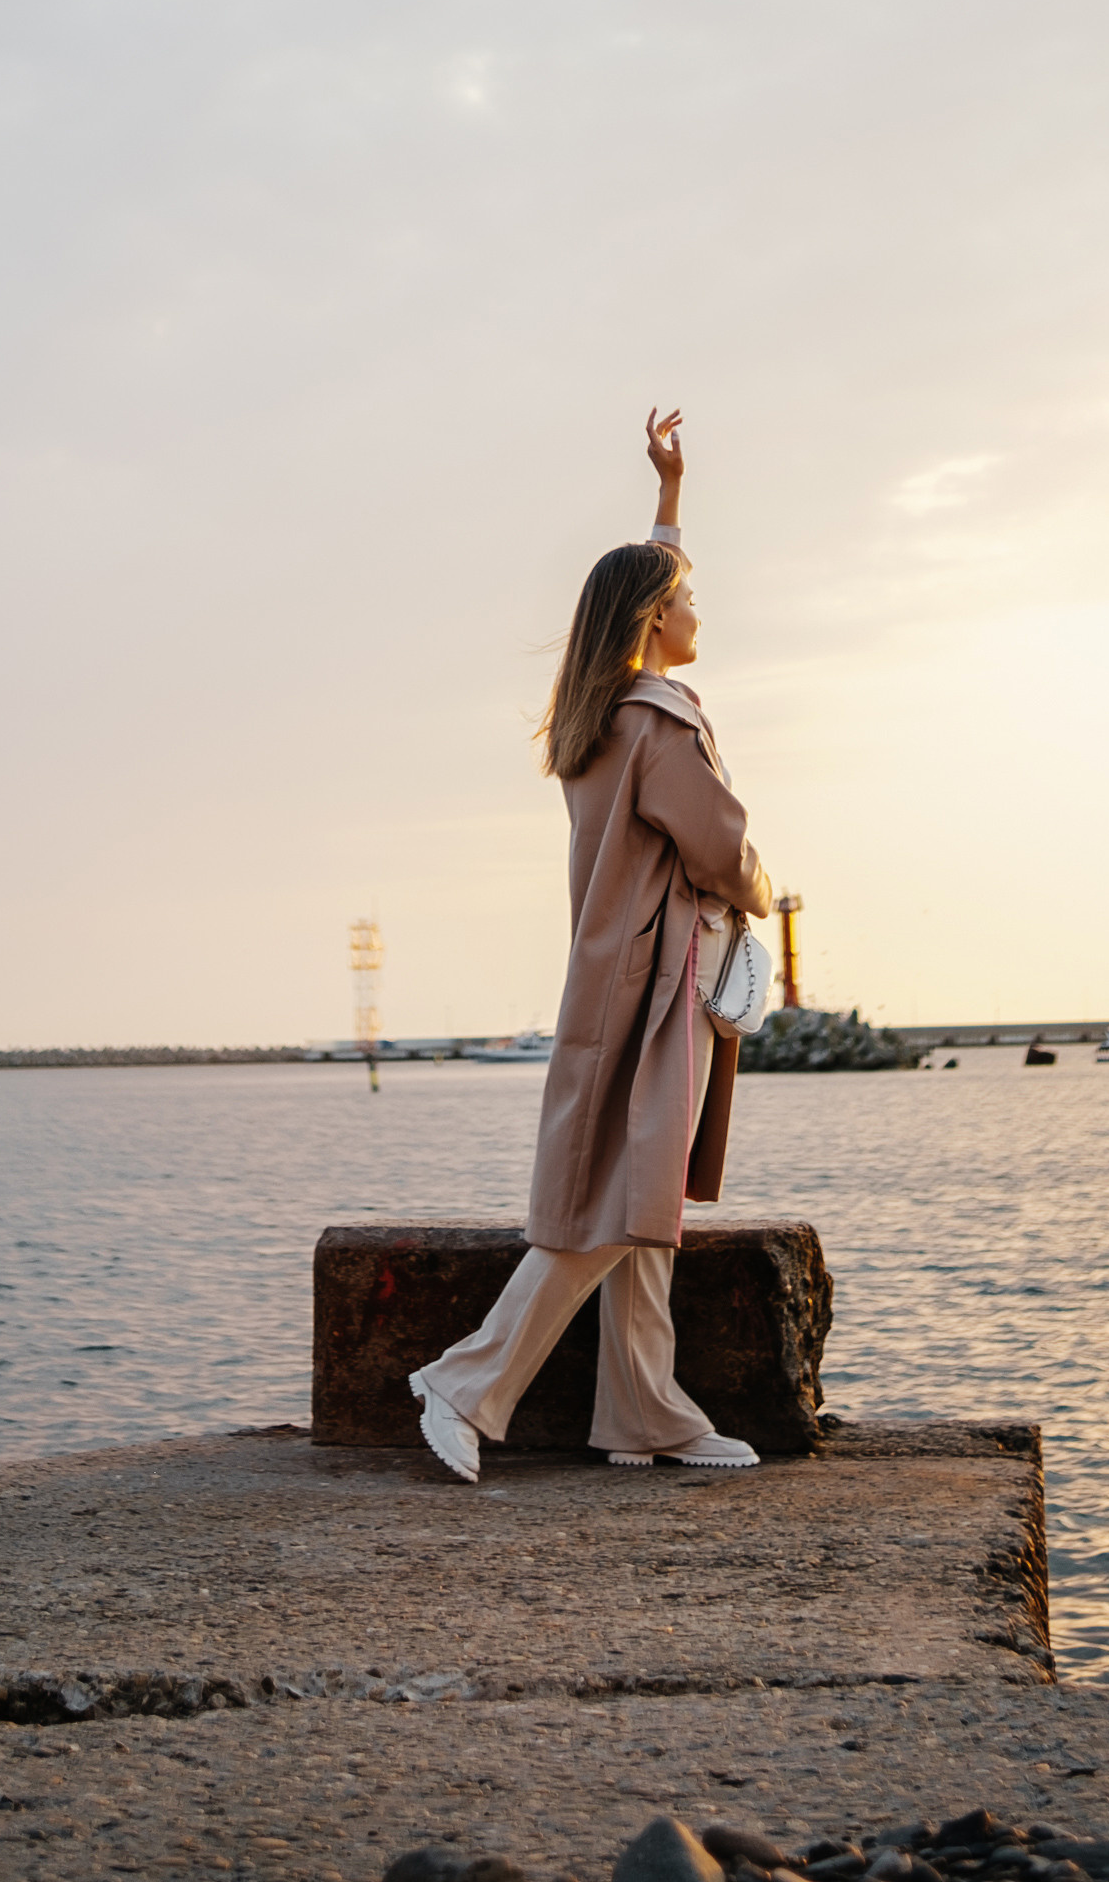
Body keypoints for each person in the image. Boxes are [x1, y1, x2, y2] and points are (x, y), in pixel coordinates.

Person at [409, 408, 775, 1478]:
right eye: (687, 598)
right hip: (665, 983)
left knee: (639, 1192)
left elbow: (641, 576)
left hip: (619, 977)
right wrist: (763, 885)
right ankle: (466, 1381)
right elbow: (723, 849)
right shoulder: (659, 724)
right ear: (655, 619)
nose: (699, 607)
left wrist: (669, 494)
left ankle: (644, 1412)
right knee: (625, 1197)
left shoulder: (601, 711)